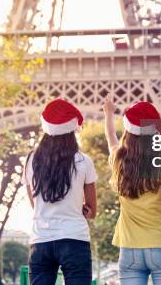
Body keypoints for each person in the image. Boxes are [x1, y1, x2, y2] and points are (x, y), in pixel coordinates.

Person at [103, 98, 161, 285]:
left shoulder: (118, 160)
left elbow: (111, 137)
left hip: (130, 250)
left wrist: (108, 114)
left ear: (129, 129)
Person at [22, 98, 98, 285]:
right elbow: (92, 210)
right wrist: (79, 208)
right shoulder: (83, 161)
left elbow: (34, 202)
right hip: (74, 238)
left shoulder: (32, 160)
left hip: (41, 239)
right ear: (72, 129)